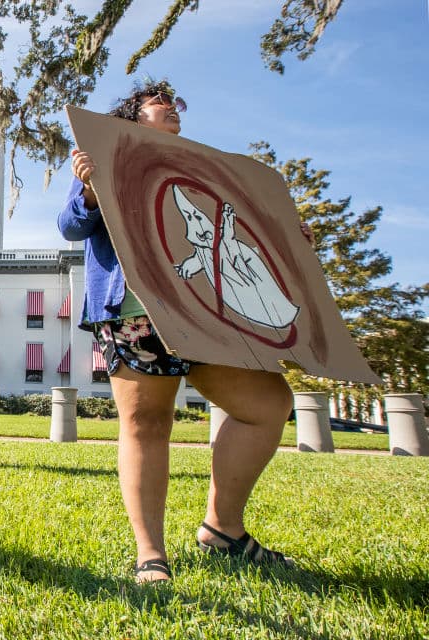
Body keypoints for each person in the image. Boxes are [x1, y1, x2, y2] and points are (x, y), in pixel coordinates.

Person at [58, 79, 309, 584]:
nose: (171, 108)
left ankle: (222, 528)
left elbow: (232, 233)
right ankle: (151, 553)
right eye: (158, 103)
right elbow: (70, 225)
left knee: (268, 405)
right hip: (133, 309)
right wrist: (88, 189)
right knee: (147, 423)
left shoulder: (203, 168)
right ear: (132, 116)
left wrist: (283, 237)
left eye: (176, 105)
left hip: (206, 313)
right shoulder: (102, 154)